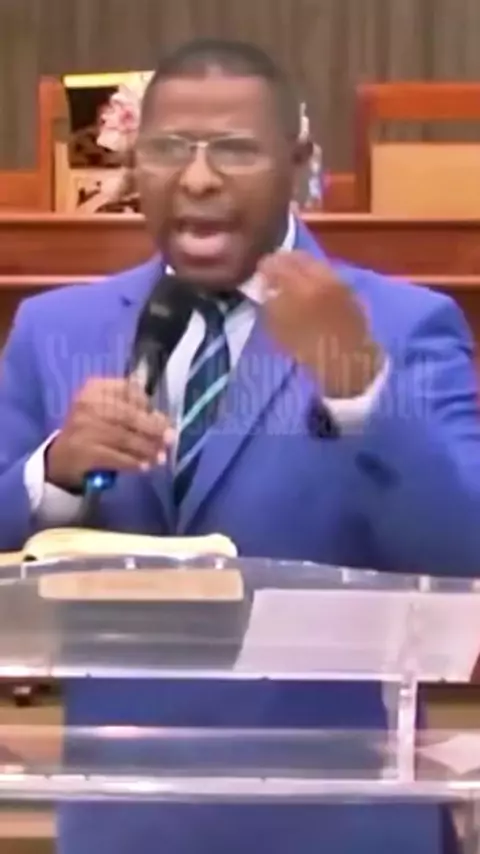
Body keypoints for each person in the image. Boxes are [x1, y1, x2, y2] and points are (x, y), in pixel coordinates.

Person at [0, 36, 477, 854]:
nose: (197, 178)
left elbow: (465, 547)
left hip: (339, 822)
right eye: (168, 149)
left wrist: (359, 390)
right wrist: (55, 471)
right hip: (124, 819)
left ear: (299, 163)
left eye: (234, 149)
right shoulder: (57, 329)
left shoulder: (402, 324)